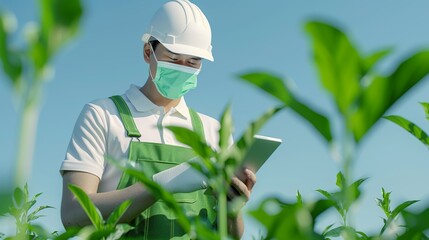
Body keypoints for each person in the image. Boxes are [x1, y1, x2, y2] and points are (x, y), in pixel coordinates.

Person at [60, 0, 256, 239]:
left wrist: (233, 209)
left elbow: (231, 235)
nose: (183, 67)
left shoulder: (212, 131)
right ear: (147, 52)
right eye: (173, 58)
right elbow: (73, 215)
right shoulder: (102, 116)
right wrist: (162, 185)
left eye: (193, 61)